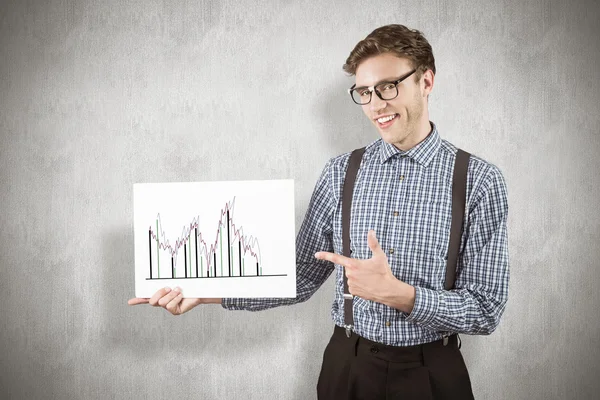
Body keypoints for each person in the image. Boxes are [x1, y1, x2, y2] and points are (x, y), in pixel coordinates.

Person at [129, 24, 509, 400]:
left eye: (388, 87)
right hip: (349, 368)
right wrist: (206, 292)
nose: (376, 105)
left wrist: (402, 295)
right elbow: (300, 278)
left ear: (426, 81)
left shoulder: (479, 180)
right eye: (364, 92)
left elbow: (486, 308)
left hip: (432, 372)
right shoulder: (341, 172)